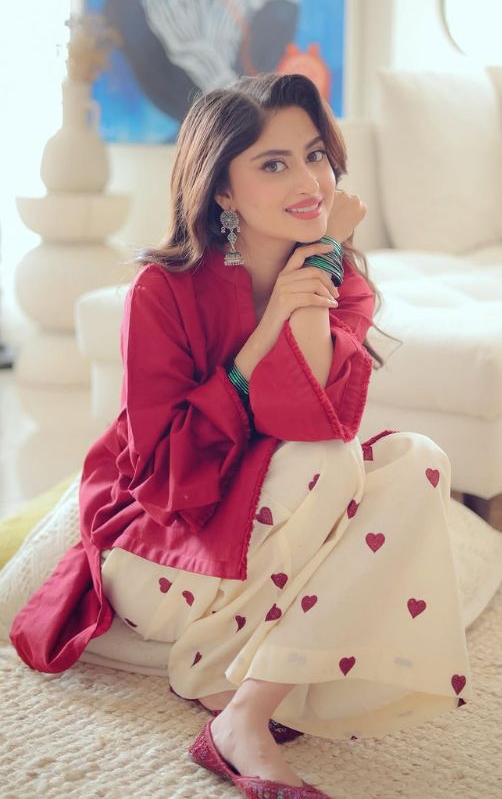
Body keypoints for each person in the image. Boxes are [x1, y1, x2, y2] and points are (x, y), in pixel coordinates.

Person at [10, 73, 473, 799]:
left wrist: (318, 263)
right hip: (163, 546)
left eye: (315, 154)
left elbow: (314, 414)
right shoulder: (160, 293)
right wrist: (260, 340)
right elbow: (163, 477)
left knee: (419, 459)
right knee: (327, 462)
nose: (309, 180)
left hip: (267, 530)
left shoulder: (334, 275)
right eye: (272, 163)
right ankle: (237, 681)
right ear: (222, 191)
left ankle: (245, 711)